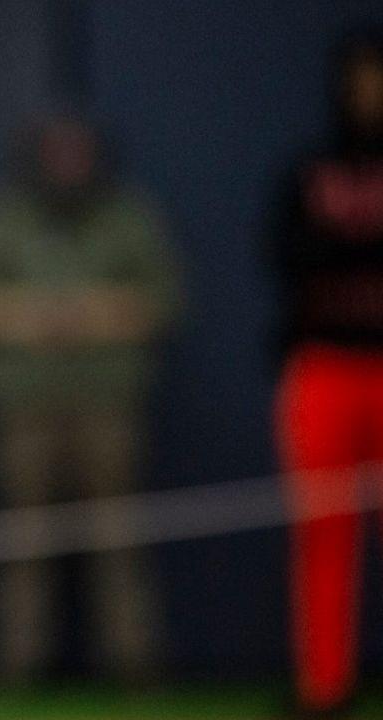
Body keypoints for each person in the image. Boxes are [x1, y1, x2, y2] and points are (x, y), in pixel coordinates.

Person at [0, 113, 178, 682]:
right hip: (22, 412)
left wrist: (86, 314)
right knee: (21, 546)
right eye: (56, 153)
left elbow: (163, 301)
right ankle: (14, 673)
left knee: (118, 541)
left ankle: (137, 672)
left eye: (78, 154)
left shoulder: (128, 218)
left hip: (109, 409)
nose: (67, 166)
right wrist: (38, 317)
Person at [273, 32, 383, 719]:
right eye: (362, 77)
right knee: (324, 534)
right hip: (323, 369)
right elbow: (287, 257)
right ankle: (325, 689)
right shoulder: (310, 169)